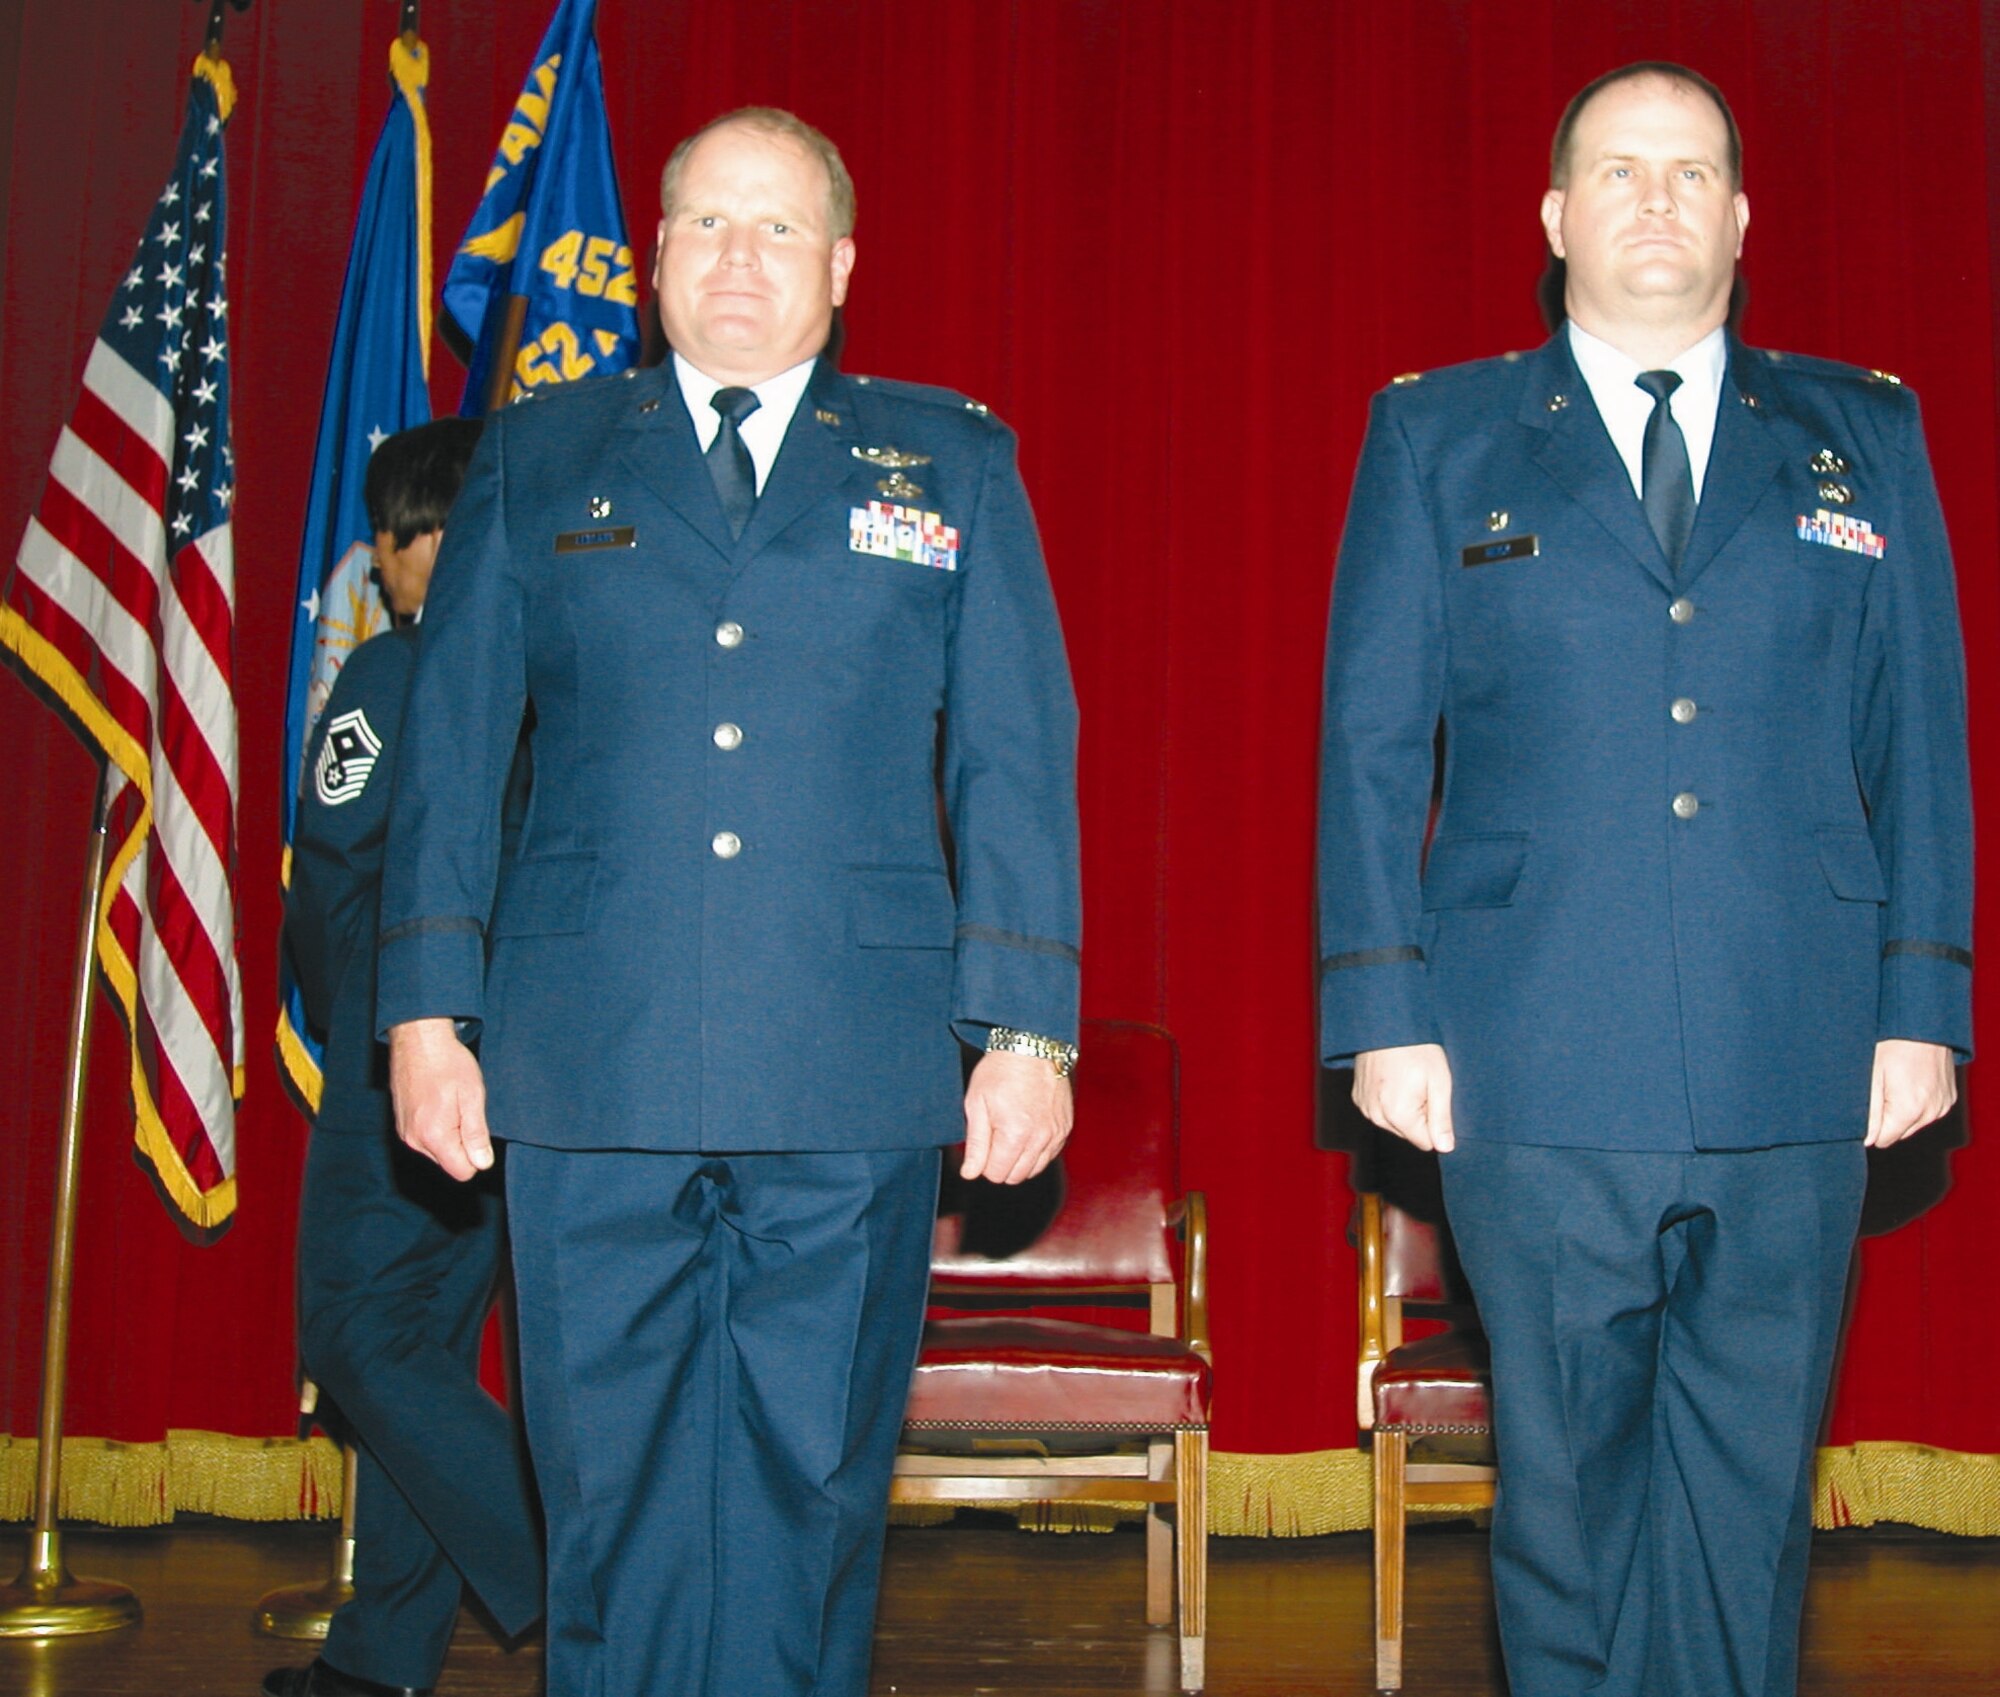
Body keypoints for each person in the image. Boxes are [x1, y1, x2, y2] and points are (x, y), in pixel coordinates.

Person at [376, 107, 1081, 1697]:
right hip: (586, 1060)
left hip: (850, 1061)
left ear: (839, 264)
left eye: (777, 229)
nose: (739, 259)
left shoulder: (950, 457)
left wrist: (1028, 1028)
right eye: (705, 223)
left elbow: (1018, 760)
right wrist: (428, 1012)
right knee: (607, 1492)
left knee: (812, 1485)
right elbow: (456, 745)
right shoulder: (539, 458)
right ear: (649, 262)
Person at [1317, 62, 1971, 1697]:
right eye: (1621, 170)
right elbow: (1372, 747)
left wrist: (1922, 1004)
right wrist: (1383, 1008)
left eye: (1693, 172)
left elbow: (1925, 740)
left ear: (1744, 219)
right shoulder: (1437, 431)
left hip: (1797, 1039)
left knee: (1750, 1497)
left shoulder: (1862, 435)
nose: (1660, 199)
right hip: (1530, 1047)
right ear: (1555, 219)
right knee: (1567, 1495)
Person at [271, 416, 543, 1697]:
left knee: (356, 1337)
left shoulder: (395, 674)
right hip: (520, 1080)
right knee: (421, 1360)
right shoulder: (551, 683)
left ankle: (558, 1560)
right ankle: (378, 1663)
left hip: (397, 1066)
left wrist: (353, 1034)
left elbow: (331, 874)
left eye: (389, 539)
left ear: (429, 536)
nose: (380, 570)